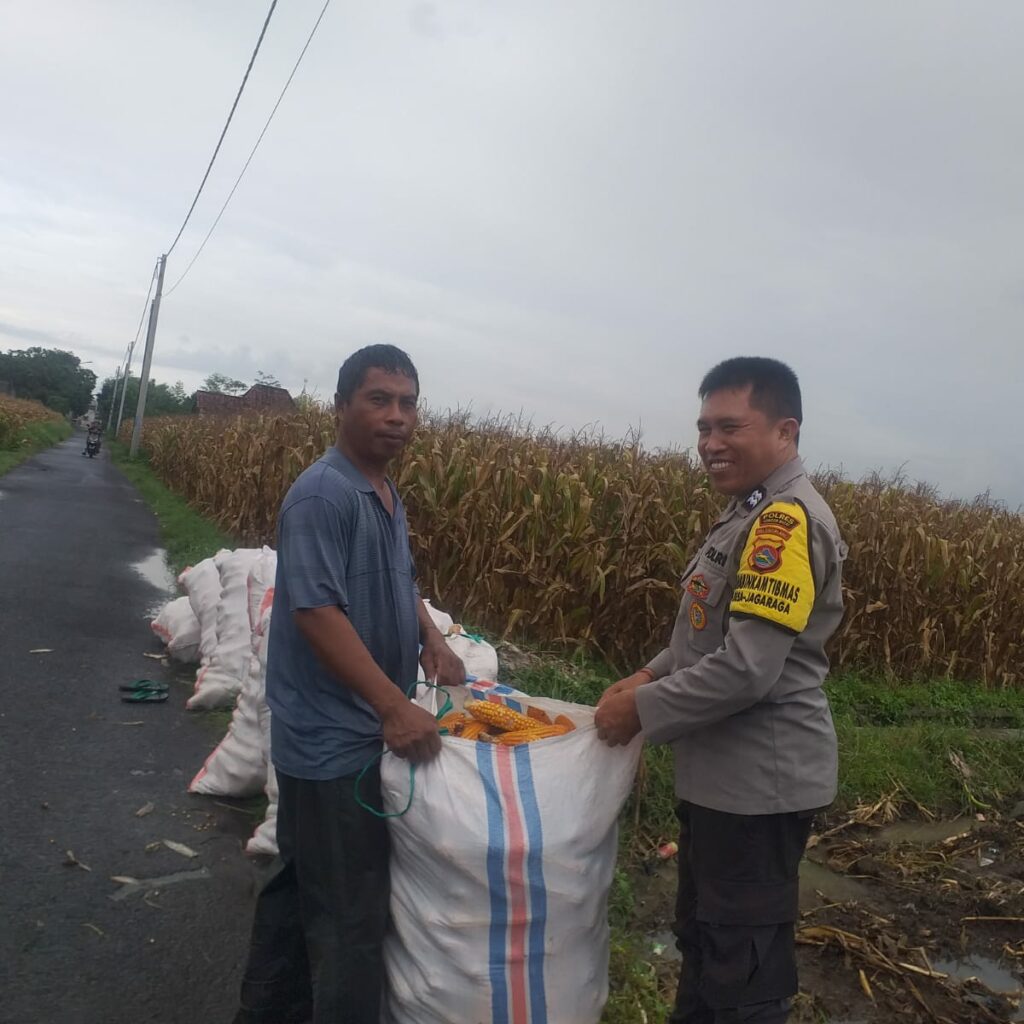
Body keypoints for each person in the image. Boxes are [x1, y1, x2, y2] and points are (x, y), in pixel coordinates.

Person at [595, 357, 847, 1024]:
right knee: (706, 947)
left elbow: (747, 669)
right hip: (719, 785)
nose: (709, 443)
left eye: (730, 427)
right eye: (703, 427)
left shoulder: (783, 523)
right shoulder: (749, 511)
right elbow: (704, 635)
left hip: (756, 791)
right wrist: (650, 672)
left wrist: (641, 712)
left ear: (785, 431)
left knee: (743, 979)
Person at [234, 344, 465, 1024]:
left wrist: (430, 635)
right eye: (378, 399)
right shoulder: (323, 494)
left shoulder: (384, 494)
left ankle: (267, 1010)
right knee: (351, 918)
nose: (396, 416)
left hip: (347, 731)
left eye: (407, 402)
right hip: (335, 739)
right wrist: (394, 706)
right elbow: (316, 612)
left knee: (302, 884)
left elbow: (398, 581)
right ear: (340, 407)